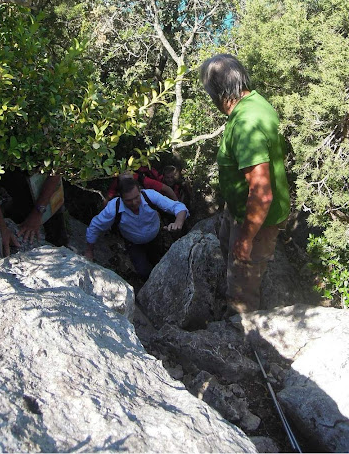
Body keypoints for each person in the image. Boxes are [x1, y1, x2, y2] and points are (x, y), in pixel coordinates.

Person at [199, 54, 290, 315]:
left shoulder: (245, 123)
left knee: (242, 286)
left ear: (217, 92)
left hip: (256, 221)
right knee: (230, 255)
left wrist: (246, 238)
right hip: (240, 210)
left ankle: (240, 332)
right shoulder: (255, 102)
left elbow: (261, 194)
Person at [85, 177, 188, 280]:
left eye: (136, 197)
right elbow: (96, 225)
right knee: (144, 272)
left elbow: (178, 207)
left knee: (159, 262)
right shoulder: (114, 207)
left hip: (155, 238)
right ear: (121, 197)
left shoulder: (150, 196)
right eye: (129, 200)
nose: (134, 203)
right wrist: (89, 251)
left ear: (140, 190)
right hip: (133, 244)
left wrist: (178, 222)